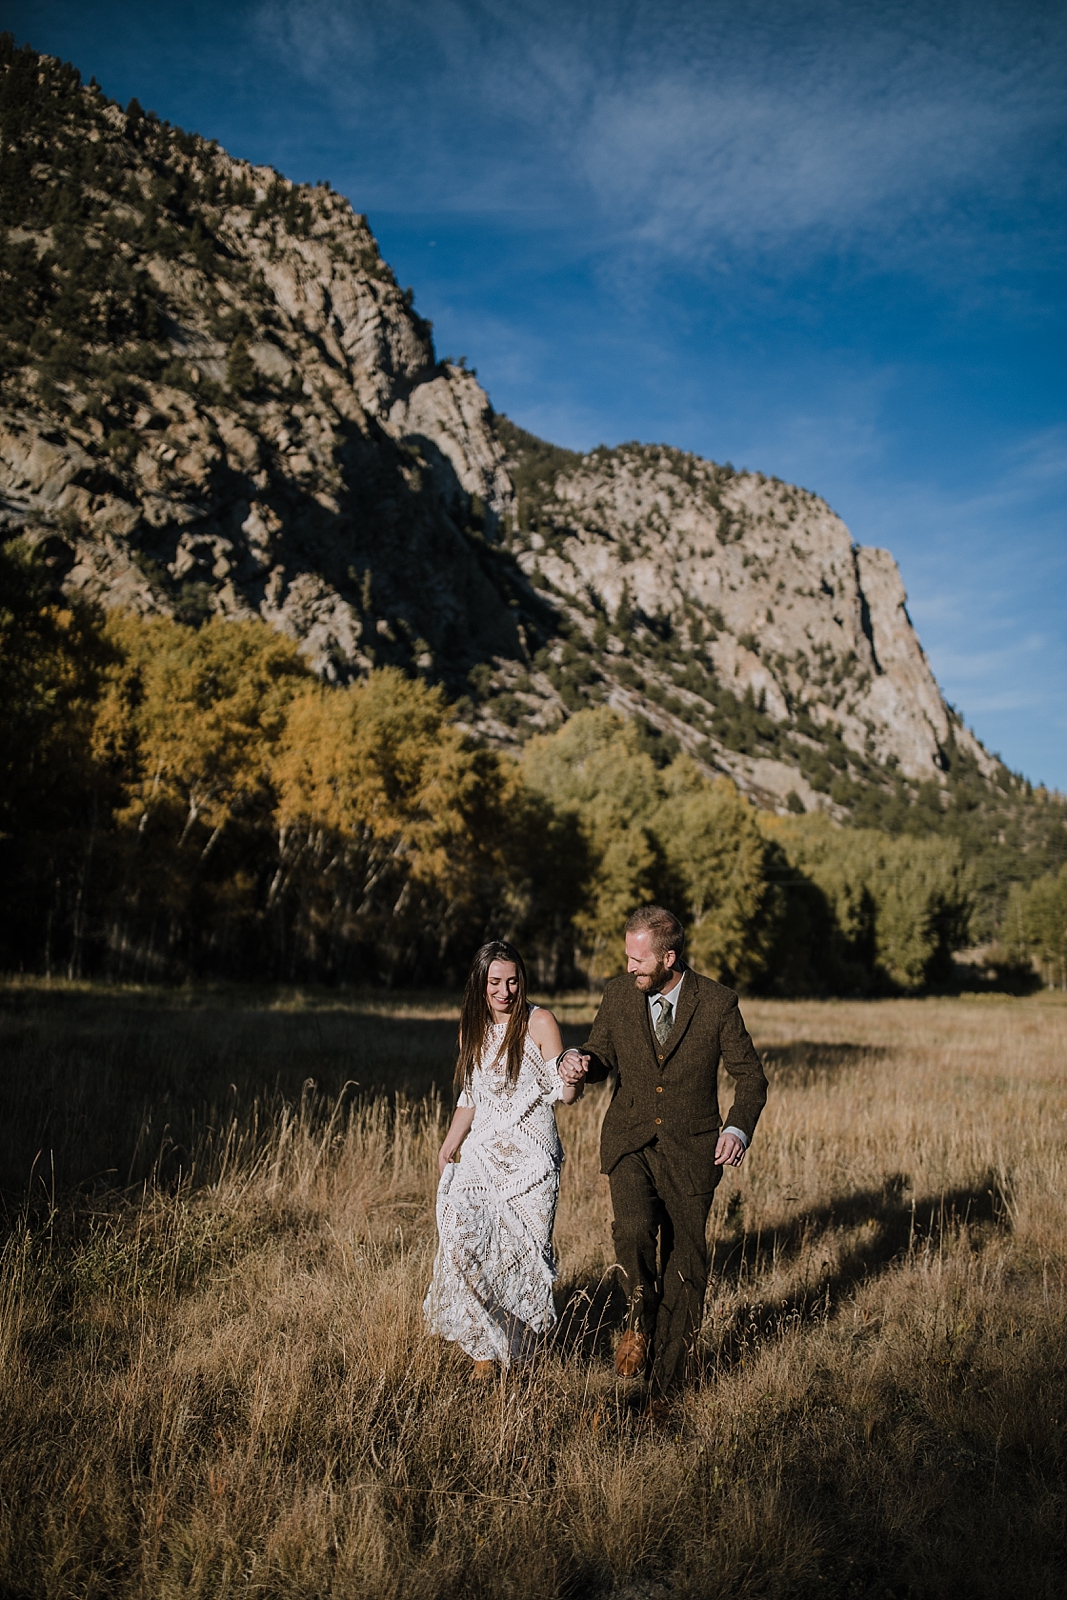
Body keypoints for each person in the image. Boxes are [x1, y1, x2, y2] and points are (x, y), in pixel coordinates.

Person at [557, 905, 768, 1396]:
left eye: (639, 959)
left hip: (694, 1154)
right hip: (630, 1141)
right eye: (627, 957)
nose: (629, 967)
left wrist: (736, 1130)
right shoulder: (617, 994)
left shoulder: (716, 1003)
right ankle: (638, 1318)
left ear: (669, 958)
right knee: (631, 1230)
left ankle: (665, 1387)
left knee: (686, 1266)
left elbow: (750, 1077)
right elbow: (601, 1055)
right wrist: (581, 1063)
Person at [423, 940, 583, 1377]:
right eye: (495, 982)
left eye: (512, 981)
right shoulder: (470, 1029)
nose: (504, 991)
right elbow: (471, 1095)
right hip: (482, 1153)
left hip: (532, 1161)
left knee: (519, 1260)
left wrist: (571, 1072)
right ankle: (482, 1348)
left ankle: (517, 1359)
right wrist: (450, 1142)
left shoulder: (538, 1021)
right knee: (459, 1237)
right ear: (480, 983)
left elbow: (564, 1092)